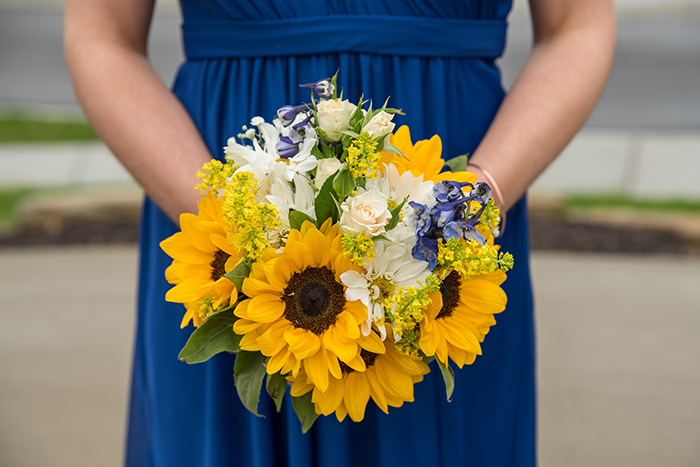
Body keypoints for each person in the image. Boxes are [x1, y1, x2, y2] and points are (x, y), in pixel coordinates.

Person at [65, 0, 615, 465]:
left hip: (453, 202)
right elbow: (102, 37)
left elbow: (578, 27)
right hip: (216, 196)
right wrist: (243, 225)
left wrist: (470, 203)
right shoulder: (228, 222)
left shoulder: (462, 210)